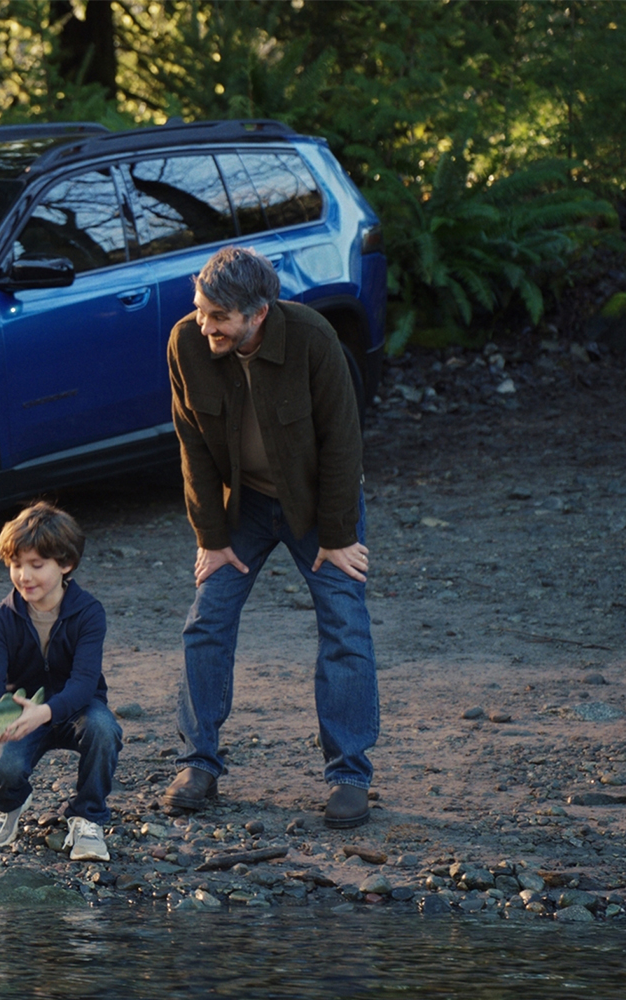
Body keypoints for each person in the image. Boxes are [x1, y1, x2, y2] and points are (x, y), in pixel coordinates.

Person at [163, 246, 379, 829]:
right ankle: (198, 764)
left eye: (218, 317)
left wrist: (337, 535)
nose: (205, 325)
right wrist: (210, 537)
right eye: (200, 309)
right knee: (206, 619)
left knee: (344, 624)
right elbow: (191, 444)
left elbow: (343, 441)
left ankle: (349, 775)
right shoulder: (186, 343)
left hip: (318, 504)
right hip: (245, 506)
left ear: (258, 313)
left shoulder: (312, 338)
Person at [0, 501, 122, 861]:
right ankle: (7, 802)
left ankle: (88, 816)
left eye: (36, 565)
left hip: (77, 708)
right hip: (21, 711)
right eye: (16, 564)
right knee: (5, 766)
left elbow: (84, 683)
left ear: (65, 564)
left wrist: (45, 712)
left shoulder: (89, 612)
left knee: (104, 729)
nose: (24, 575)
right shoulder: (0, 618)